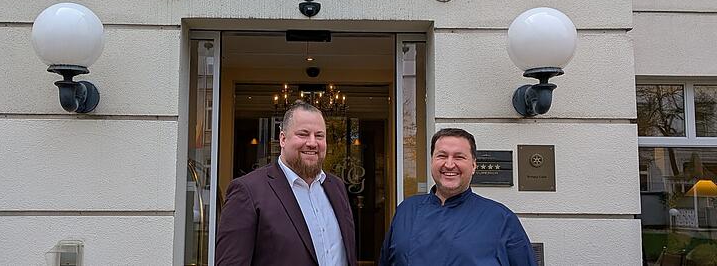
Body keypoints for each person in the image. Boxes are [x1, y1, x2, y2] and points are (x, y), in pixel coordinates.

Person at [216, 100, 357, 266]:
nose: (312, 143)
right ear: (282, 139)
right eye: (303, 134)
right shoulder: (248, 191)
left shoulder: (336, 187)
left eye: (319, 135)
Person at [379, 128, 537, 266]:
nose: (449, 164)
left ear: (474, 165)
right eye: (442, 156)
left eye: (459, 157)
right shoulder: (406, 210)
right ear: (432, 161)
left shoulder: (501, 218)